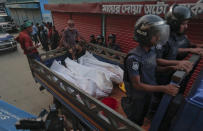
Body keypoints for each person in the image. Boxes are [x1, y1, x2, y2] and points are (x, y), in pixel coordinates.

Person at [122, 15, 179, 126]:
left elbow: (152, 67)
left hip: (149, 93)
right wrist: (164, 88)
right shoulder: (133, 58)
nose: (159, 37)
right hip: (138, 98)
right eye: (156, 35)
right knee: (135, 120)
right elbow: (137, 85)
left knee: (143, 116)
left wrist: (170, 68)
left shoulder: (152, 51)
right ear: (145, 36)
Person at [156, 5, 201, 85]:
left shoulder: (179, 34)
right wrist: (178, 63)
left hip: (173, 75)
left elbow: (185, 44)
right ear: (175, 23)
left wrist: (197, 46)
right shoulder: (163, 36)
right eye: (183, 24)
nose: (186, 26)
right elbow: (157, 60)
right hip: (161, 79)